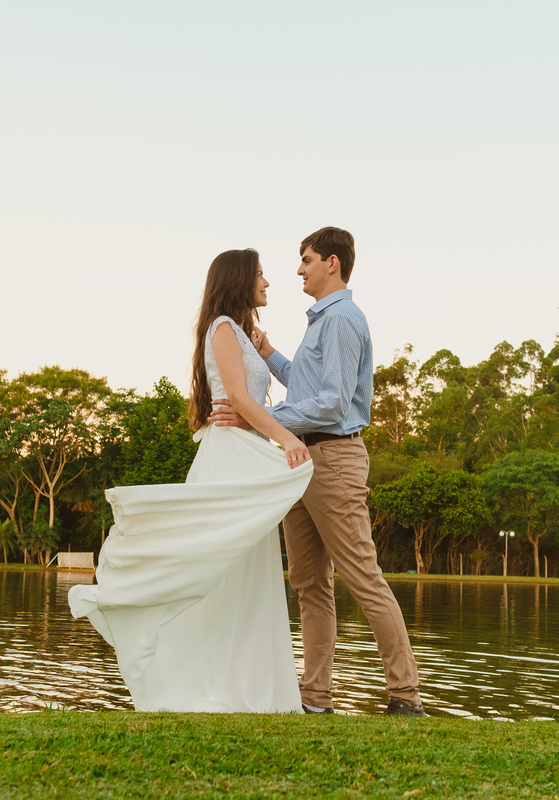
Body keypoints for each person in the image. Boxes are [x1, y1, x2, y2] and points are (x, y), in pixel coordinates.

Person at [68, 248, 313, 713]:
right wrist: (287, 440)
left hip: (243, 452)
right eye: (261, 274)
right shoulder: (222, 328)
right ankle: (207, 679)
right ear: (241, 280)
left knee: (248, 569)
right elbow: (239, 398)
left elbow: (250, 394)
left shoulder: (239, 332)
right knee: (220, 566)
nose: (268, 282)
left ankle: (252, 685)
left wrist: (263, 350)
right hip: (229, 458)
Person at [209, 227, 425, 717]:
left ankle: (406, 695)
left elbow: (331, 404)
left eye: (305, 260)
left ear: (332, 262)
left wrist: (256, 418)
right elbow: (307, 386)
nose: (298, 270)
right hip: (298, 460)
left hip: (334, 458)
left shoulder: (344, 319)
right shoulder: (320, 323)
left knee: (361, 575)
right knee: (308, 582)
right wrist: (269, 354)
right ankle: (314, 697)